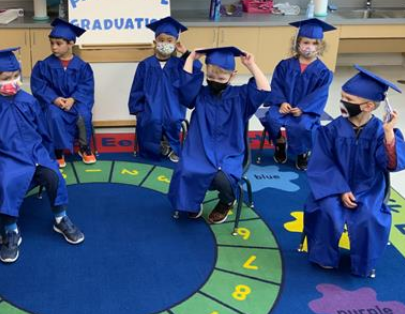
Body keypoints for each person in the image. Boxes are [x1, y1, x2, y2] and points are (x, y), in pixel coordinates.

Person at [0, 48, 85, 264]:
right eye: (6, 78)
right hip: (3, 157)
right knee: (4, 181)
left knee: (52, 175)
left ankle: (60, 218)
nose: (13, 82)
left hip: (33, 154)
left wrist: (48, 155)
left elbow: (42, 132)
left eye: (15, 76)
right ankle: (10, 230)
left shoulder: (28, 101)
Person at [304, 65, 404, 277]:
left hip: (369, 187)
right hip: (334, 186)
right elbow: (322, 164)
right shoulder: (330, 130)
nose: (342, 102)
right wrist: (340, 189)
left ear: (368, 106)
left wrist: (388, 133)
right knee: (327, 210)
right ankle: (324, 256)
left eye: (348, 99)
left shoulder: (380, 132)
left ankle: (364, 263)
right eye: (342, 97)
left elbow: (392, 164)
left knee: (369, 216)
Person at [168, 47, 270, 223]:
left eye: (221, 78)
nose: (215, 81)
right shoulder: (200, 94)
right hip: (200, 148)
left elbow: (263, 89)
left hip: (228, 150)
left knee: (222, 177)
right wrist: (191, 58)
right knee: (187, 169)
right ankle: (191, 202)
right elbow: (185, 86)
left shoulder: (240, 96)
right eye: (211, 77)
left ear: (232, 75)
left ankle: (227, 200)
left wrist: (251, 64)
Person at [262, 18, 336, 170]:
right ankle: (280, 143)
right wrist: (281, 102)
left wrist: (303, 108)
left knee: (302, 125)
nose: (309, 47)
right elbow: (276, 85)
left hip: (306, 110)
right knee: (271, 118)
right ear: (298, 43)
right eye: (306, 42)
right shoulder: (285, 65)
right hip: (284, 105)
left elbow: (320, 94)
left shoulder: (323, 72)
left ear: (320, 46)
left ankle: (303, 152)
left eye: (314, 43)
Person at [128, 16, 200, 163]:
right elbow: (136, 89)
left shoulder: (180, 64)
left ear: (175, 43)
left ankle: (172, 146)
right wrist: (138, 110)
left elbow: (196, 69)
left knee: (173, 119)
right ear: (155, 42)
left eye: (169, 40)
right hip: (149, 107)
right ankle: (153, 149)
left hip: (174, 106)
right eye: (161, 40)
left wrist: (185, 53)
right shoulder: (145, 65)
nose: (165, 43)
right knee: (151, 119)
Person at [31, 18, 96, 167]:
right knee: (53, 115)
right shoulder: (44, 65)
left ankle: (84, 147)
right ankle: (57, 150)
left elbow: (86, 86)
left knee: (84, 115)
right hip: (54, 103)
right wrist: (54, 99)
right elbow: (39, 86)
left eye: (58, 43)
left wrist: (73, 99)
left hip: (76, 102)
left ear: (71, 44)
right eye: (52, 43)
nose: (54, 47)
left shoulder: (82, 66)